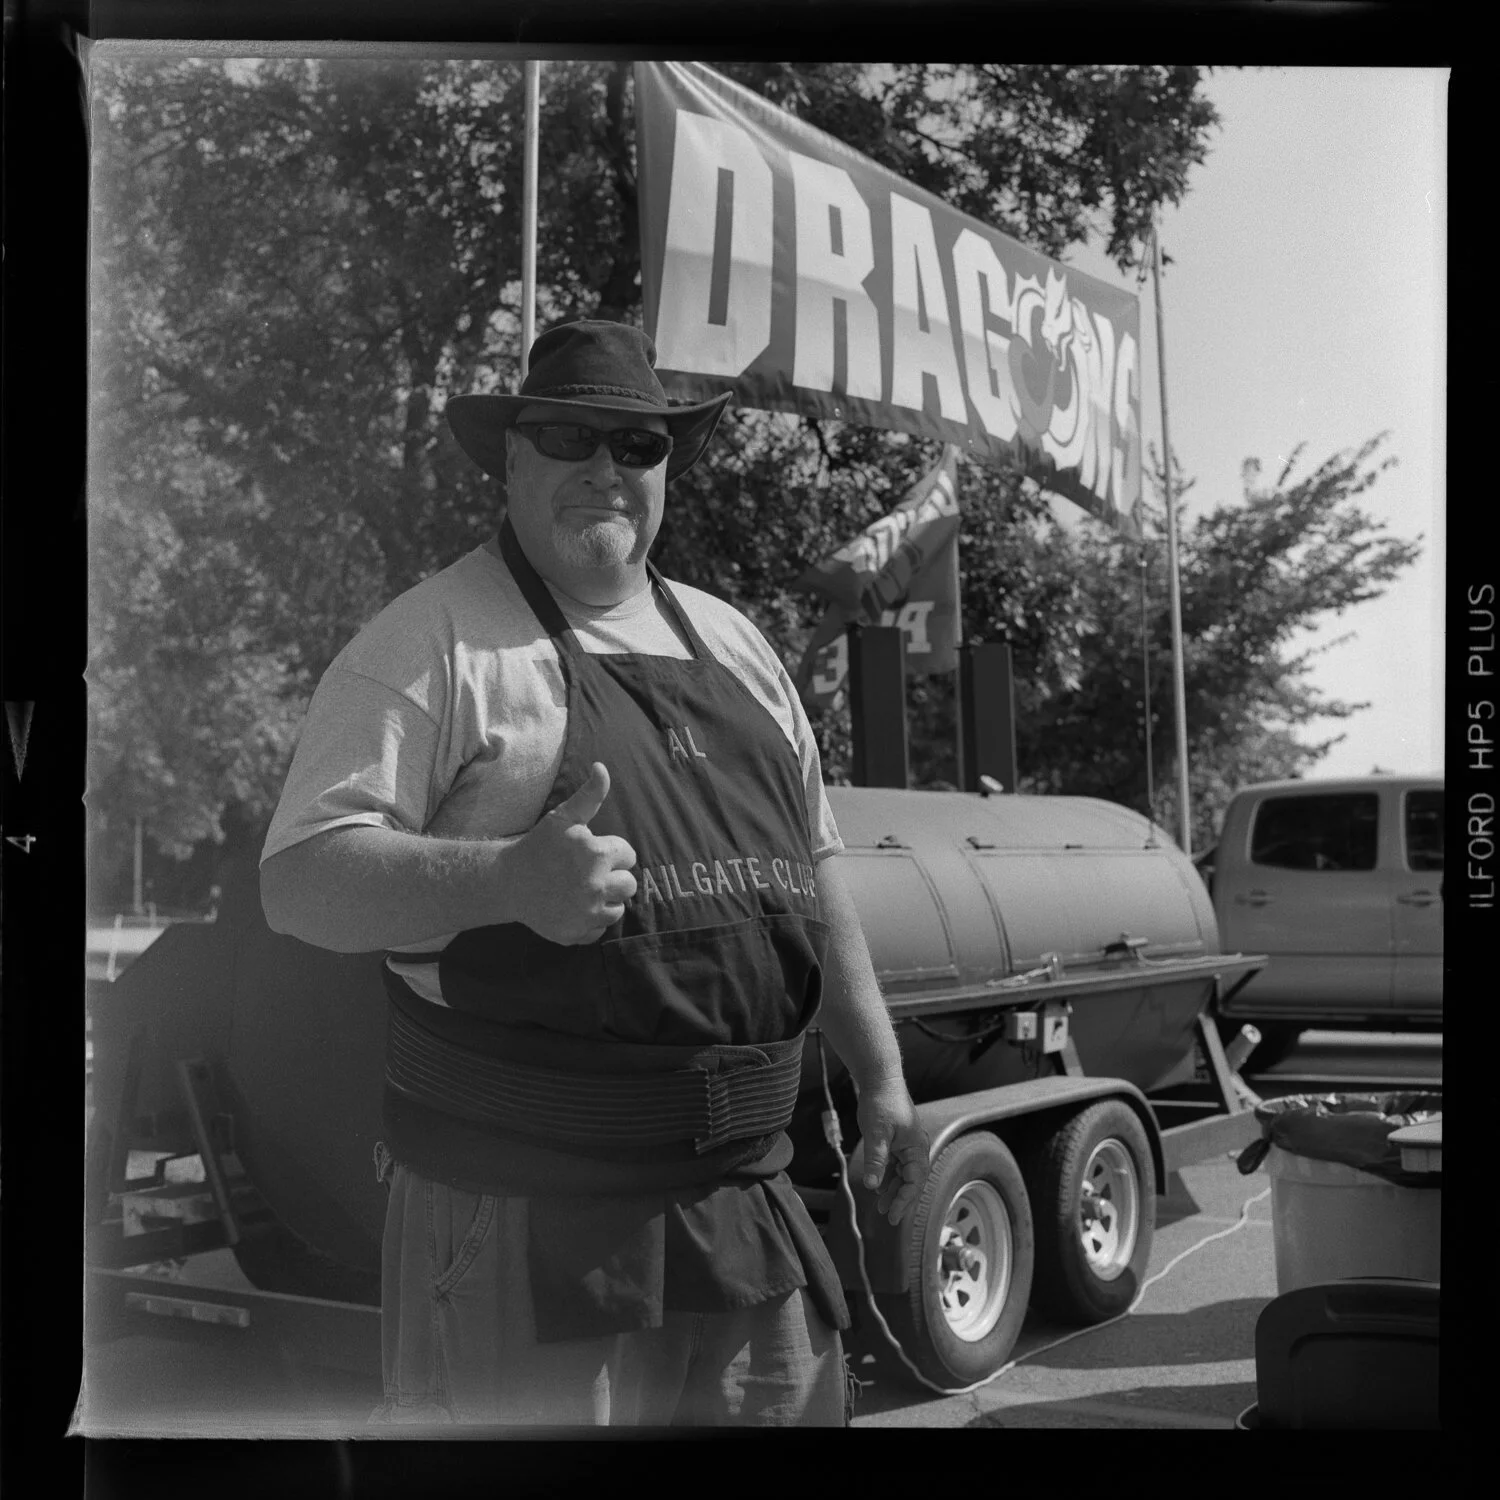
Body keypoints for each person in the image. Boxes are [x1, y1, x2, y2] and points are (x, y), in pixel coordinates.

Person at [259, 319, 929, 1428]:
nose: (604, 469)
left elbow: (813, 871)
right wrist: (503, 882)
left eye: (637, 444)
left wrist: (884, 1079)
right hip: (519, 1220)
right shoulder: (427, 646)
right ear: (514, 459)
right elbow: (301, 883)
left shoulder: (739, 647)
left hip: (746, 1205)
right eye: (570, 437)